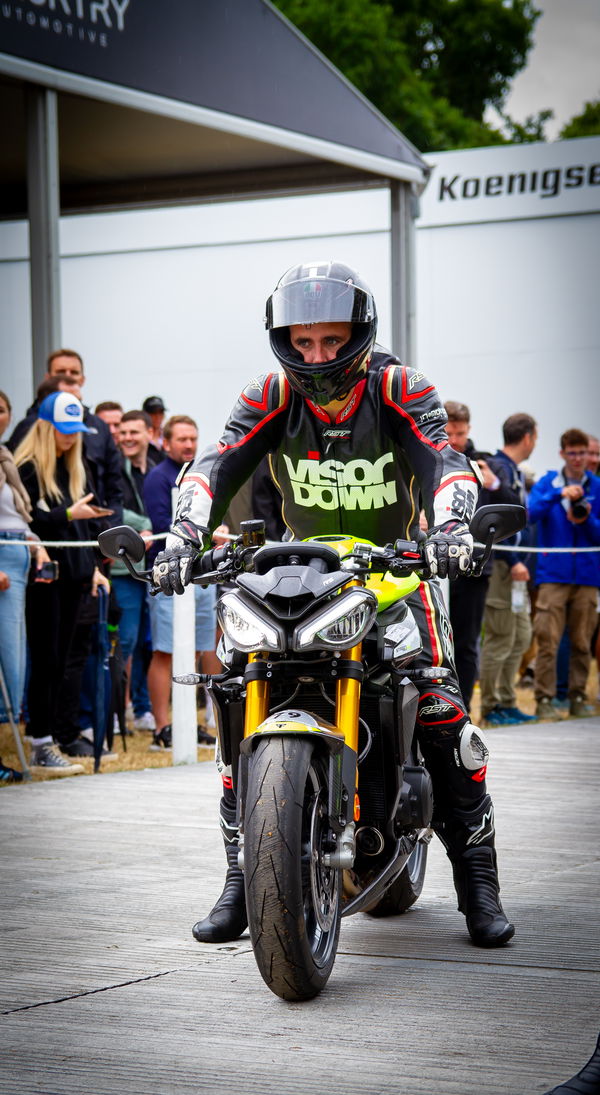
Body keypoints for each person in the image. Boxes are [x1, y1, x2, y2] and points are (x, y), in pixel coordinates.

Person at [152, 260, 515, 950]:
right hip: (299, 573)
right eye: (303, 340)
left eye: (330, 339)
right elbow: (214, 463)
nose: (317, 355)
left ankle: (478, 880)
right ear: (283, 339)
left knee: (441, 710)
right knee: (238, 693)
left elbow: (444, 459)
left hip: (397, 570)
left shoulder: (399, 386)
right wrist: (181, 537)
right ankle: (240, 875)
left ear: (361, 331)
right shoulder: (269, 393)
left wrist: (449, 530)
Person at [14, 392, 111, 774]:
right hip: (43, 578)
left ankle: (49, 739)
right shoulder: (25, 468)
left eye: (75, 431)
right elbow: (29, 526)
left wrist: (94, 568)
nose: (71, 438)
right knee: (47, 659)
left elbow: (83, 526)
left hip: (75, 576)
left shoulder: (75, 467)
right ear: (44, 427)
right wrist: (70, 512)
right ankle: (40, 741)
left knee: (64, 659)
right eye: (63, 430)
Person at [144, 415, 222, 750]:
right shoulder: (158, 478)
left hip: (202, 574)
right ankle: (162, 728)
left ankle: (188, 724)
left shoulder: (200, 473)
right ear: (166, 442)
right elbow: (163, 525)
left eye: (193, 438)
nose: (189, 444)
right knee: (165, 651)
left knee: (197, 650)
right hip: (168, 575)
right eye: (181, 439)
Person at [0, 390, 53, 783]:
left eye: (2, 409)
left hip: (19, 553)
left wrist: (35, 545)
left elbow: (17, 516)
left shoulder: (5, 458)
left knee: (15, 659)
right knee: (5, 659)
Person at [529, 428, 600, 720]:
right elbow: (529, 512)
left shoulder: (595, 485)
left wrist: (583, 520)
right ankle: (544, 699)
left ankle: (578, 697)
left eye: (583, 453)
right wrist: (559, 495)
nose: (578, 458)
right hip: (553, 574)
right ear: (562, 454)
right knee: (548, 640)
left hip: (586, 576)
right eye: (572, 453)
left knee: (582, 642)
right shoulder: (549, 482)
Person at [444, 400, 510, 712]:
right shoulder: (427, 458)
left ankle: (464, 710)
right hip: (431, 565)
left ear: (468, 430)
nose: (455, 440)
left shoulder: (486, 463)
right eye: (449, 432)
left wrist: (492, 482)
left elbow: (514, 503)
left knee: (466, 644)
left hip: (473, 567)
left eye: (460, 433)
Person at [9, 349, 123, 521]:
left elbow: (113, 486)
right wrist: (67, 515)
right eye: (61, 372)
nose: (71, 436)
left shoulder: (78, 460)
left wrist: (108, 534)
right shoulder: (29, 463)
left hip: (87, 542)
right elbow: (27, 518)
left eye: (76, 430)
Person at [478, 414, 538, 727]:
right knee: (500, 638)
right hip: (502, 567)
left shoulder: (512, 470)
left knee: (521, 637)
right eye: (535, 438)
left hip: (516, 572)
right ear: (528, 437)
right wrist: (514, 560)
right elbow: (494, 523)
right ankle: (491, 707)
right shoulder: (497, 467)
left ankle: (508, 701)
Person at [111, 410, 162, 732]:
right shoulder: (114, 467)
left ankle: (142, 709)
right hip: (123, 568)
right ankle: (119, 712)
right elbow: (111, 508)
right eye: (123, 432)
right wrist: (146, 526)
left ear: (148, 432)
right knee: (125, 642)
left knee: (148, 643)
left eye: (134, 432)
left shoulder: (155, 469)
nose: (127, 437)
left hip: (153, 567)